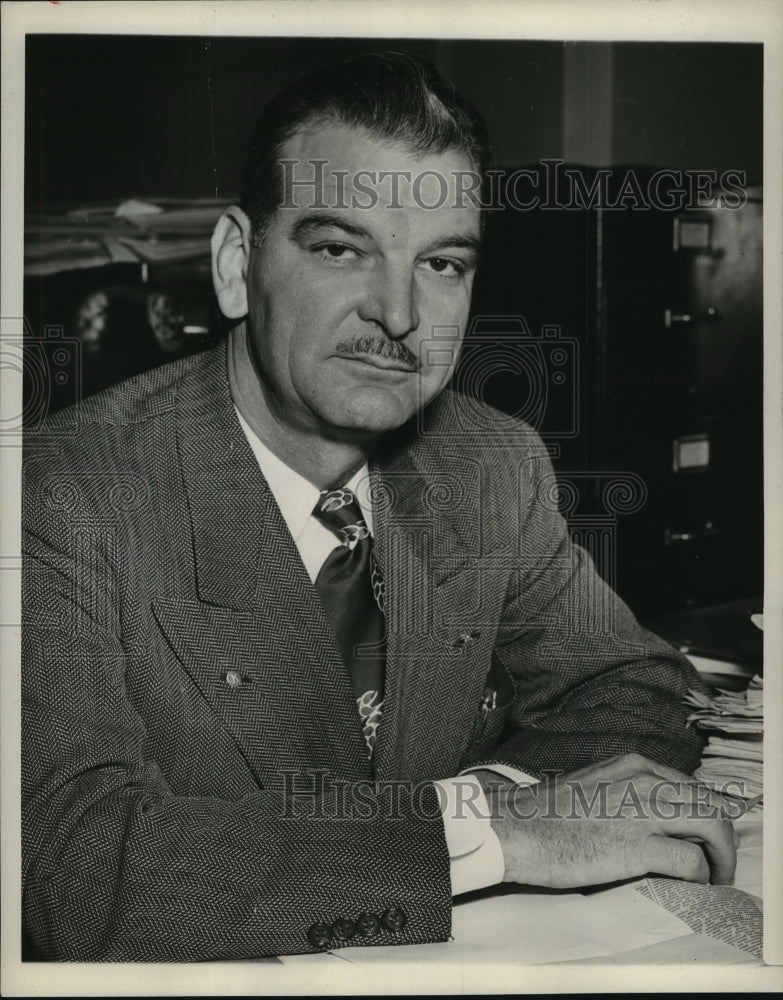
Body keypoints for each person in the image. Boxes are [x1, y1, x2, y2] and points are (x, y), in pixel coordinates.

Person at [22, 50, 735, 963]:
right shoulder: (59, 497)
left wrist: (492, 800)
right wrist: (487, 834)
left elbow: (638, 689)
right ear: (237, 264)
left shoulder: (488, 463)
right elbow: (75, 870)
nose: (398, 314)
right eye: (339, 249)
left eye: (441, 262)